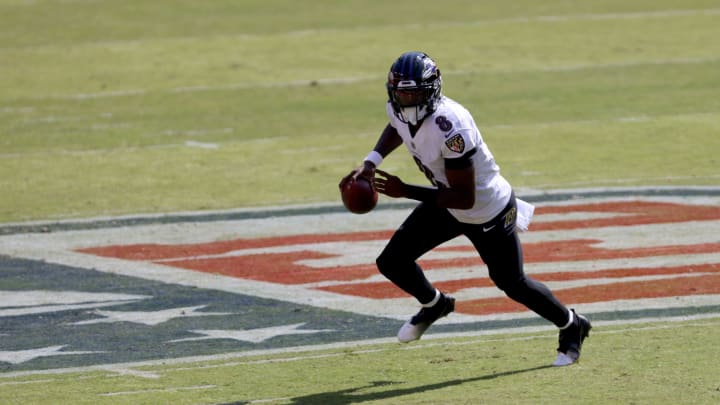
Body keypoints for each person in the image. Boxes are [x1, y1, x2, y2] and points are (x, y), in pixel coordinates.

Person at [339, 51, 591, 366]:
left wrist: (405, 191)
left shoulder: (450, 126)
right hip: (445, 200)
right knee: (392, 261)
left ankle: (571, 324)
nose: (407, 100)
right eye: (402, 93)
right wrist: (370, 162)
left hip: (486, 210)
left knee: (511, 283)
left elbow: (464, 198)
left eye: (414, 92)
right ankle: (435, 304)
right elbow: (396, 126)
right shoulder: (399, 109)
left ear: (431, 90)